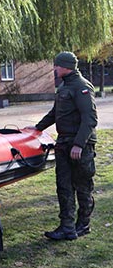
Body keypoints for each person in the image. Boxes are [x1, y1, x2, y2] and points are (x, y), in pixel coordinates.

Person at [31, 51, 97, 241]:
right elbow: (55, 113)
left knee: (83, 186)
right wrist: (37, 128)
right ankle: (67, 227)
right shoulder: (64, 86)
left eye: (57, 65)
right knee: (64, 186)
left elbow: (90, 119)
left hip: (79, 146)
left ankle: (83, 225)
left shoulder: (81, 86)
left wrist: (79, 144)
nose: (55, 68)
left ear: (66, 66)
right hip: (64, 143)